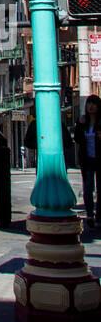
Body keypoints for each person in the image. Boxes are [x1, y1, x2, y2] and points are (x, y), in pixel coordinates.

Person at [75, 95, 101, 231]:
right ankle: (90, 215)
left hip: (99, 158)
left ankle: (98, 216)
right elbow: (78, 139)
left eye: (94, 104)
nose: (91, 106)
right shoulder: (82, 121)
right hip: (87, 159)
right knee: (88, 187)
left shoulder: (100, 122)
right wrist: (79, 124)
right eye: (89, 104)